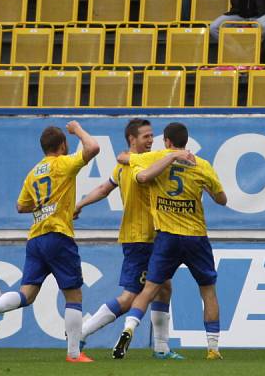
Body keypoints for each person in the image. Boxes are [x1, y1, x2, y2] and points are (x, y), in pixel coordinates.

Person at [0, 121, 100, 363]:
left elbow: (21, 206)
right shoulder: (63, 163)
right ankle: (73, 353)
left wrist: (48, 205)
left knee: (26, 294)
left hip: (36, 238)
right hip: (58, 236)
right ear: (62, 145)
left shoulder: (33, 172)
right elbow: (93, 148)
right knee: (74, 296)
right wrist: (78, 129)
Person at [112, 122, 228, 361]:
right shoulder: (202, 165)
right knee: (208, 291)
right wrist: (206, 188)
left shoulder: (156, 157)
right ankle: (213, 349)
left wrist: (167, 157)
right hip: (195, 237)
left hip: (166, 237)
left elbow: (124, 158)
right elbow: (222, 200)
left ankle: (128, 329)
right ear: (187, 141)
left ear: (166, 141)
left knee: (150, 289)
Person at [73, 119, 181, 360]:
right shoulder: (138, 167)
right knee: (130, 297)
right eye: (146, 136)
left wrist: (80, 203)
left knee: (164, 287)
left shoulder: (126, 164)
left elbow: (104, 188)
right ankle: (82, 333)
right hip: (141, 239)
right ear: (132, 139)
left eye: (152, 136)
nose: (151, 140)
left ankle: (161, 348)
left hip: (147, 238)